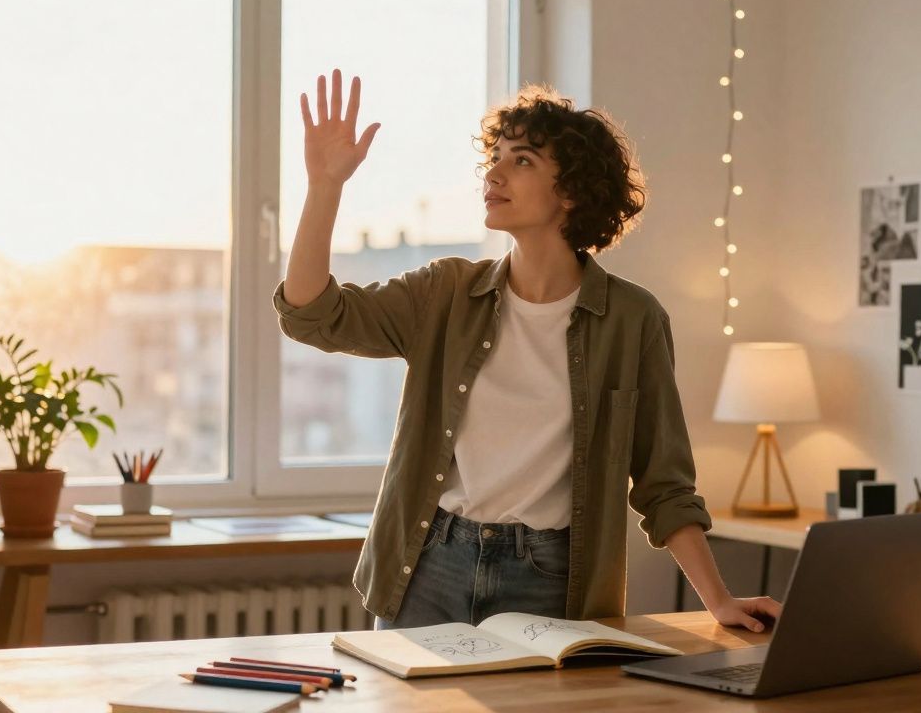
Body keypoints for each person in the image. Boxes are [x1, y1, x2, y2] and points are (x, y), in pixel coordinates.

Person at [274, 68, 782, 633]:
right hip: (429, 564)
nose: (493, 172)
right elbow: (313, 316)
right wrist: (325, 187)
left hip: (551, 576)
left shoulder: (633, 320)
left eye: (521, 160)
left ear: (571, 192)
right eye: (495, 157)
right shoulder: (444, 292)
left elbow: (664, 483)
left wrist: (719, 601)